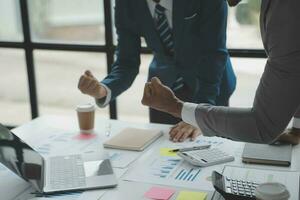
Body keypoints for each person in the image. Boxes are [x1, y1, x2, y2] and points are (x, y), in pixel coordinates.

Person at [141, 0, 300, 145]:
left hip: (208, 89)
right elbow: (294, 71)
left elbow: (261, 126)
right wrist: (298, 128)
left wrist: (175, 106)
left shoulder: (285, 10)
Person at [78, 0, 236, 142]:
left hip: (210, 90)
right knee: (161, 155)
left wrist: (201, 113)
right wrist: (103, 89)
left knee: (211, 156)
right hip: (162, 92)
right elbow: (127, 62)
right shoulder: (126, 3)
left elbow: (213, 55)